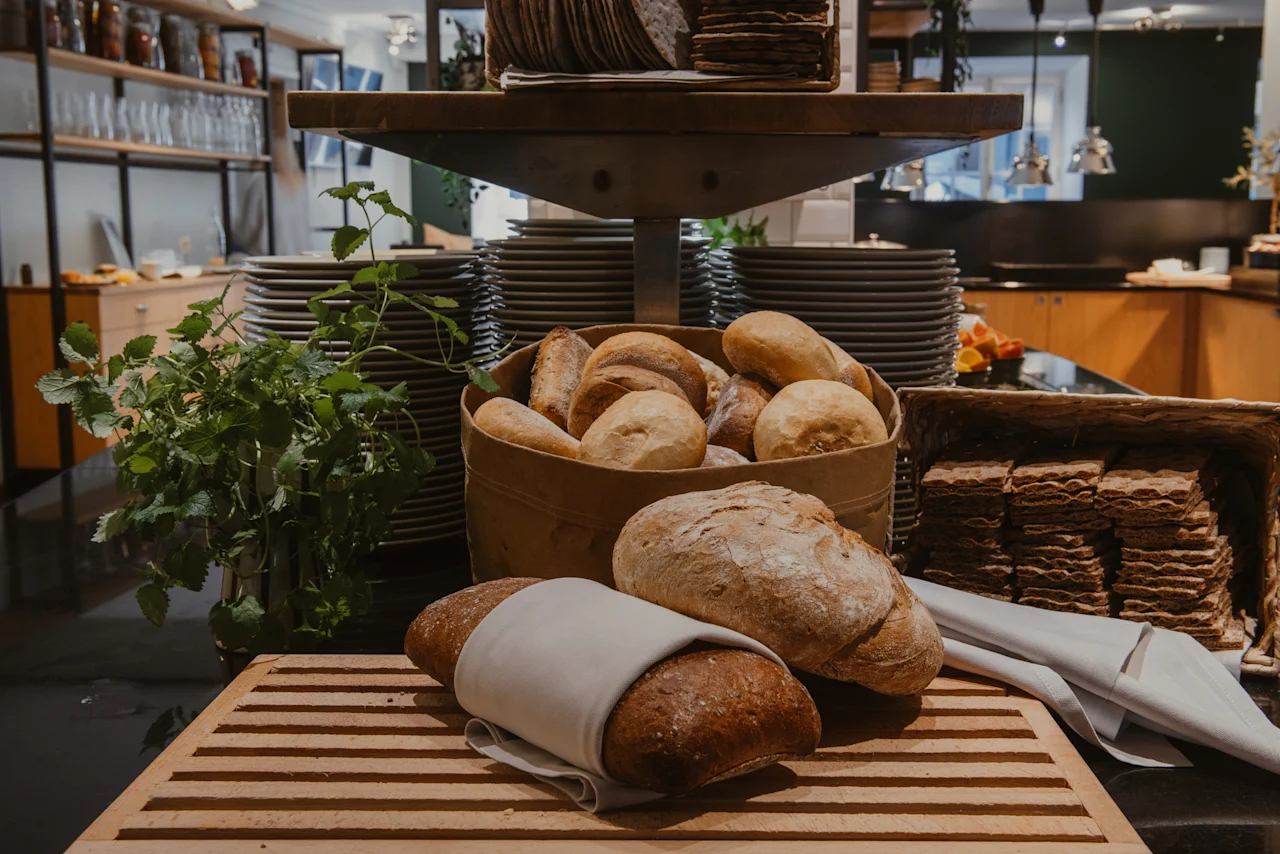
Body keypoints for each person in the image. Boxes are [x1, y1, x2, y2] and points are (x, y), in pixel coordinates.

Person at [231, 79, 312, 258]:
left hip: (269, 265)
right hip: (300, 263)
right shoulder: (301, 183)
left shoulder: (262, 182)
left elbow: (245, 231)